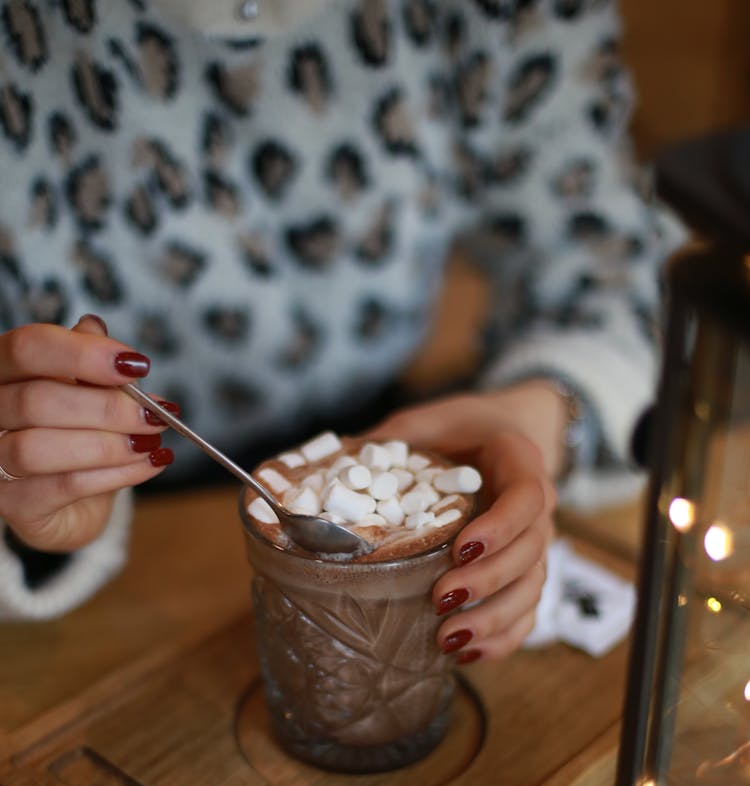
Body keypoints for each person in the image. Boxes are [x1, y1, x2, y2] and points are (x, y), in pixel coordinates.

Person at [0, 0, 670, 661]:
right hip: (109, 576)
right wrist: (22, 487)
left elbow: (614, 263)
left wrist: (540, 414)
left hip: (406, 444)